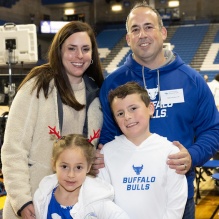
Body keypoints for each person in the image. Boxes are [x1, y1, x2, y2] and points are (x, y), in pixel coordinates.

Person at [96, 1, 219, 219]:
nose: (142, 34)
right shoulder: (113, 84)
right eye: (135, 29)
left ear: (163, 32)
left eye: (148, 26)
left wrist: (192, 155)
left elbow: (212, 130)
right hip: (124, 200)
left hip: (178, 197)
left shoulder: (192, 80)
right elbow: (106, 136)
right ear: (128, 39)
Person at [1, 21, 104, 219]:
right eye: (71, 49)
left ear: (92, 55)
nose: (79, 56)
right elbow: (14, 149)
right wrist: (22, 200)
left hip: (76, 209)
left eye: (85, 49)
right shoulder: (37, 87)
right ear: (59, 51)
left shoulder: (97, 94)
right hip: (31, 204)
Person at [98, 82, 188, 219]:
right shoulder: (107, 153)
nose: (127, 116)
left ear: (150, 108)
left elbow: (176, 201)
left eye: (133, 108)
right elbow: (103, 199)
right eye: (120, 113)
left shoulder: (170, 152)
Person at [33, 133, 130, 219]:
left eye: (78, 167)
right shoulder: (43, 197)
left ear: (88, 167)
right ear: (54, 164)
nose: (71, 175)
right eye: (64, 166)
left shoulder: (96, 200)